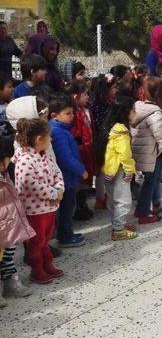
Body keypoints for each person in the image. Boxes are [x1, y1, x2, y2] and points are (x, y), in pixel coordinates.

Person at [13, 118, 65, 284]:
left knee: (46, 239)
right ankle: (37, 268)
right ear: (38, 139)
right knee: (36, 242)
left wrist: (59, 190)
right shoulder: (25, 160)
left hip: (48, 208)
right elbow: (30, 184)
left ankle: (47, 263)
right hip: (34, 211)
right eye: (49, 136)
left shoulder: (45, 156)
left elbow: (57, 173)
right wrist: (52, 194)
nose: (51, 139)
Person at [94, 95, 139, 240]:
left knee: (113, 199)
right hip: (119, 170)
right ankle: (119, 230)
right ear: (125, 112)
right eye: (133, 110)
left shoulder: (111, 127)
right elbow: (125, 154)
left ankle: (118, 224)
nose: (135, 113)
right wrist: (129, 170)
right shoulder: (121, 131)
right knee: (124, 200)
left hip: (109, 169)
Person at [49, 93, 88, 247]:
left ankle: (67, 233)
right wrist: (81, 170)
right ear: (55, 115)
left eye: (72, 112)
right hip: (65, 178)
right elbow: (65, 158)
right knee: (66, 208)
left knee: (67, 207)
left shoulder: (61, 129)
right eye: (67, 113)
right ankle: (65, 237)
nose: (71, 116)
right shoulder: (57, 132)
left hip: (67, 178)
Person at [0, 135, 34, 302]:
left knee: (8, 256)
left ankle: (11, 284)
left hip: (10, 227)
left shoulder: (5, 174)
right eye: (7, 159)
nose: (9, 162)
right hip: (3, 228)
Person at [131, 77, 162, 224]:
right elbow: (160, 133)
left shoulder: (136, 107)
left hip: (137, 150)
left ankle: (141, 207)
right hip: (151, 154)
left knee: (145, 182)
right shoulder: (155, 112)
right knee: (150, 182)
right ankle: (144, 212)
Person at [67, 80, 97, 222]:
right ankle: (78, 206)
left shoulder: (84, 110)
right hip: (79, 150)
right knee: (79, 179)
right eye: (84, 94)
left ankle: (82, 204)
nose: (87, 97)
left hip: (87, 149)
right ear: (75, 96)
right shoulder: (71, 113)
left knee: (86, 178)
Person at [89, 74, 118, 210]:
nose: (116, 90)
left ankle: (104, 196)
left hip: (109, 139)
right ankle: (101, 197)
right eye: (114, 87)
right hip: (103, 140)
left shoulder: (110, 102)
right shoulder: (99, 105)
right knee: (103, 170)